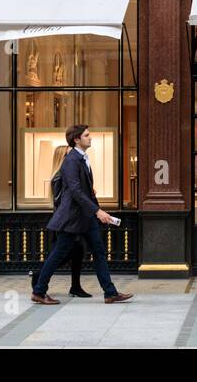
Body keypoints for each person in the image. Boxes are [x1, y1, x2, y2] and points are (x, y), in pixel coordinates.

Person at [31, 124, 133, 305]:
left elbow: (86, 192)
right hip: (71, 218)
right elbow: (76, 192)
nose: (90, 137)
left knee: (99, 252)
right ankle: (39, 291)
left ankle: (110, 293)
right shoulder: (71, 161)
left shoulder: (82, 158)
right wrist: (97, 211)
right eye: (87, 135)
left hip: (85, 217)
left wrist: (98, 212)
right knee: (58, 254)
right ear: (76, 139)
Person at [28, 145, 89, 298]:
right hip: (65, 222)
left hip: (70, 221)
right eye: (69, 154)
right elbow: (63, 201)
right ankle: (39, 278)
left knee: (77, 251)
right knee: (61, 254)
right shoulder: (59, 176)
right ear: (63, 157)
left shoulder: (64, 174)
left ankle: (75, 286)